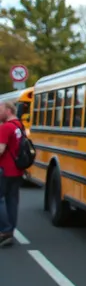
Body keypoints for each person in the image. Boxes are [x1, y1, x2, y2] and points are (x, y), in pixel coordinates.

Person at [0, 101, 26, 247]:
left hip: (4, 169)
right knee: (12, 201)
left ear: (9, 110)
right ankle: (10, 230)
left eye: (0, 110)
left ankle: (4, 231)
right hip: (17, 169)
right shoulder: (19, 126)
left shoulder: (6, 127)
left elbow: (0, 149)